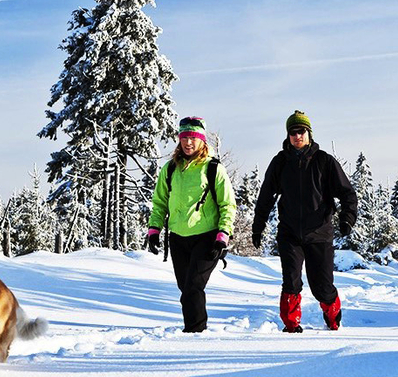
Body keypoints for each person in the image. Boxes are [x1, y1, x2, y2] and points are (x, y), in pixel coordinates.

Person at [252, 110, 357, 332]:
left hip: (319, 233)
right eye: (293, 132)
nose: (297, 136)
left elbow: (347, 193)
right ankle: (291, 326)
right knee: (291, 282)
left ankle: (332, 314)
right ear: (288, 136)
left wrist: (347, 218)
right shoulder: (280, 162)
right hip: (290, 234)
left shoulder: (325, 161)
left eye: (301, 131)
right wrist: (258, 227)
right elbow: (265, 196)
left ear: (309, 133)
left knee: (322, 287)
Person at [147, 116, 236, 333]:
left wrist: (223, 235)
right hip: (178, 237)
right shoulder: (170, 169)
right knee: (185, 288)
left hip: (207, 237)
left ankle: (195, 332)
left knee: (193, 287)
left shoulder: (213, 168)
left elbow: (228, 204)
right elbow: (159, 203)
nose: (188, 142)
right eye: (184, 137)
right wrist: (154, 230)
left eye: (193, 138)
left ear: (202, 141)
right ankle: (194, 329)